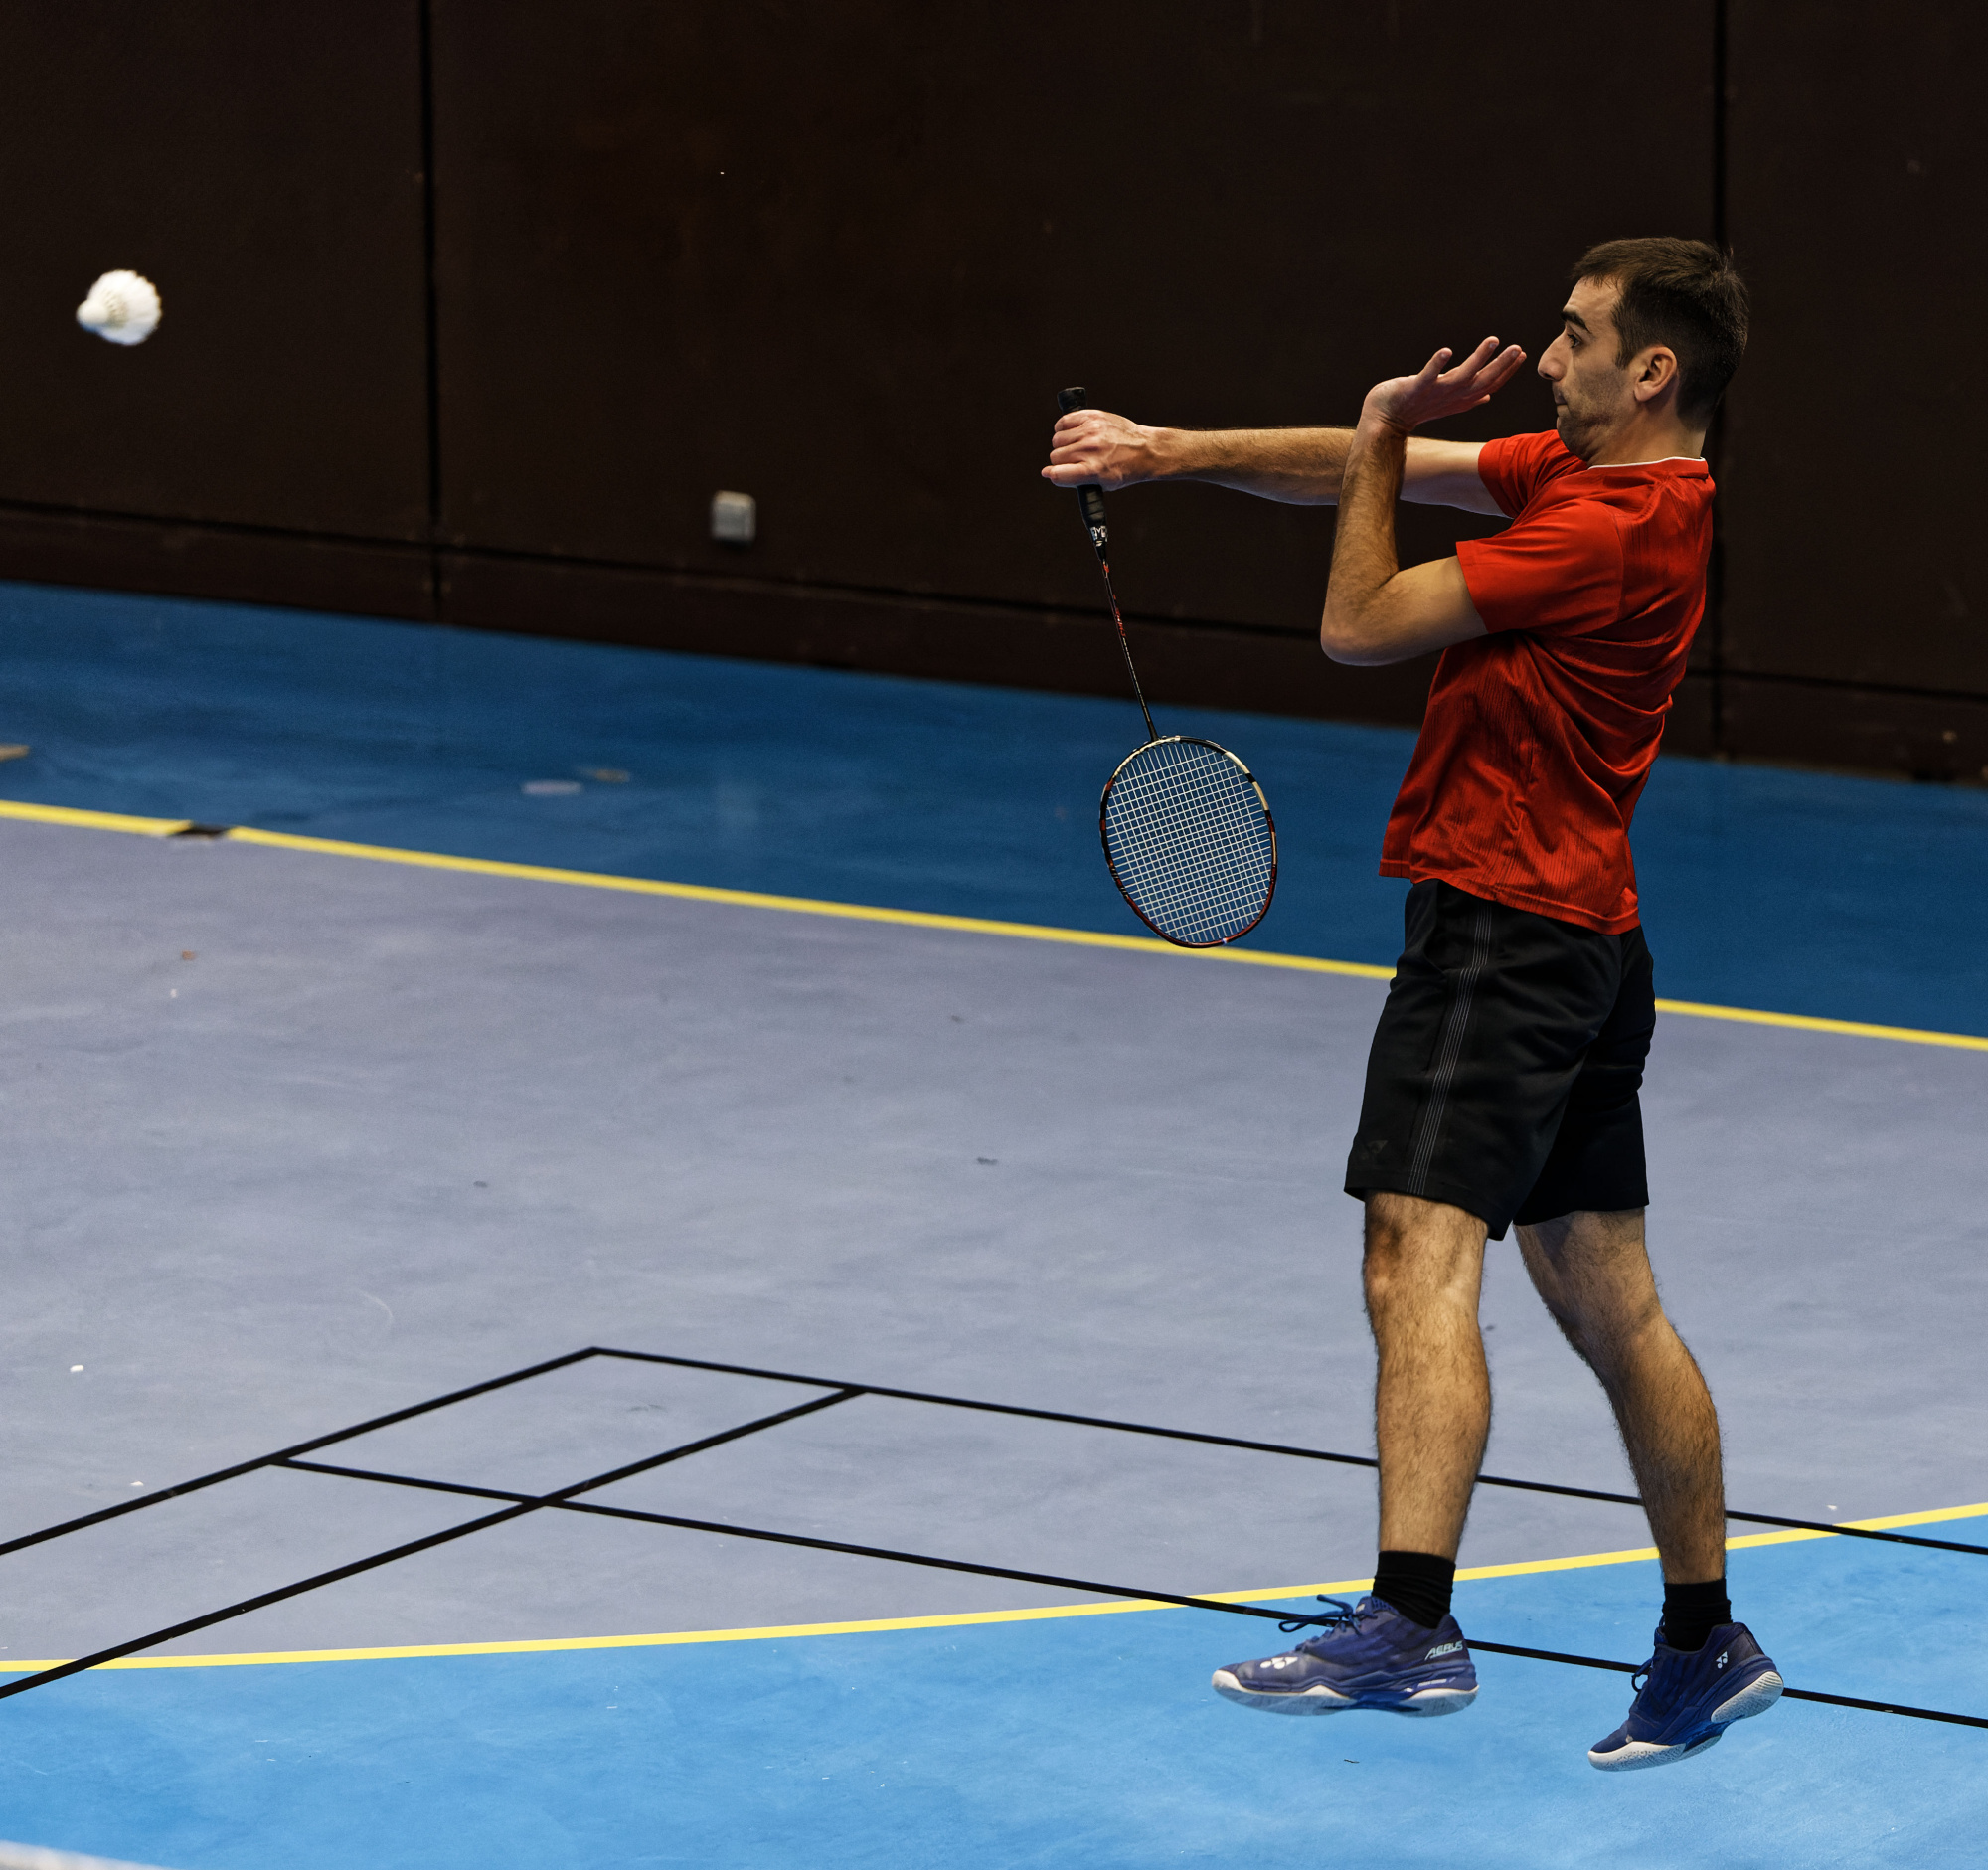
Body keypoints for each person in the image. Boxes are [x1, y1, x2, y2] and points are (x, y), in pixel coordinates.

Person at [1042, 237, 1780, 1771]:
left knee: (1412, 1250)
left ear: (1653, 370)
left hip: (1502, 934)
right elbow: (1374, 462)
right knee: (1612, 1298)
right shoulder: (1609, 478)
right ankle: (1706, 1637)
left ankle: (1412, 1617)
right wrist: (1165, 452)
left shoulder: (1611, 526)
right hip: (1590, 935)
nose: (1547, 359)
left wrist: (1383, 424)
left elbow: (1362, 618)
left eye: (1575, 338)